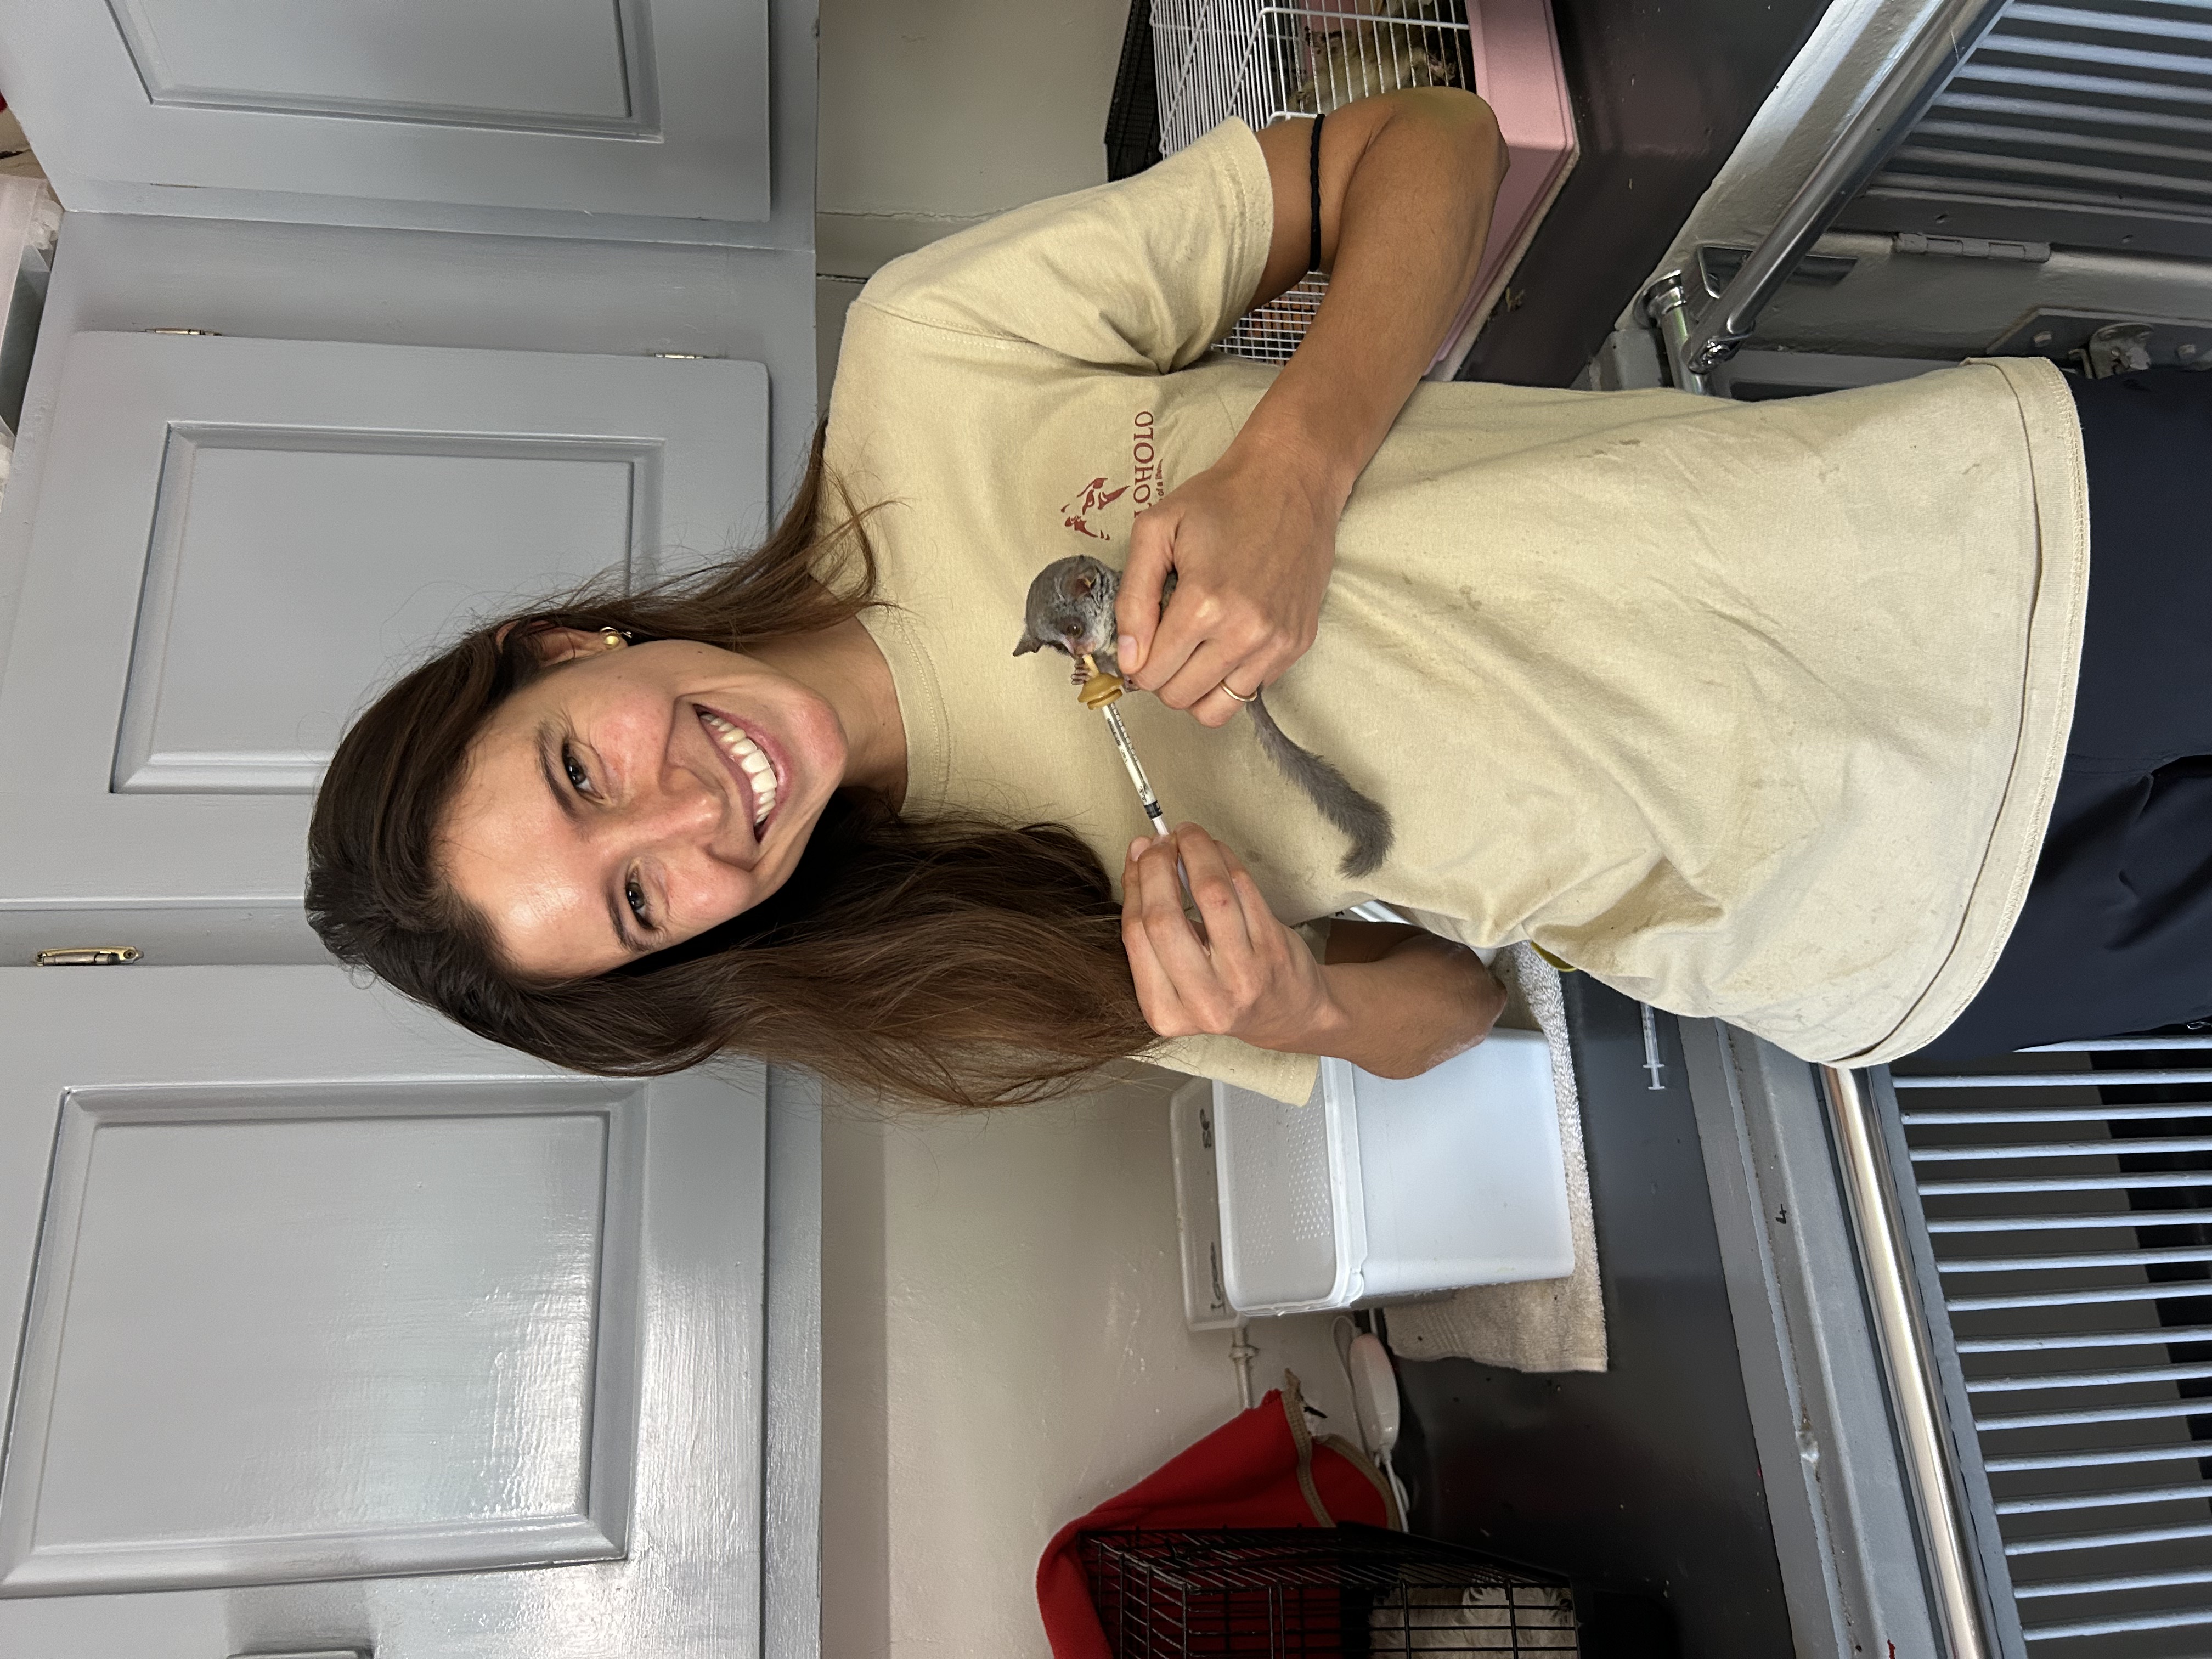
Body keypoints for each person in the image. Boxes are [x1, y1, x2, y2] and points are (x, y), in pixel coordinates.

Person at [308, 86, 2181, 1111]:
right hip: (1895, 933)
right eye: (638, 902)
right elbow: (1459, 1007)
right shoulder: (980, 956)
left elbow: (1428, 143)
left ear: (562, 648)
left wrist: (1297, 460)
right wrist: (1297, 1009)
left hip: (1984, 548)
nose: (687, 819)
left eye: (578, 771)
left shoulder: (925, 365)